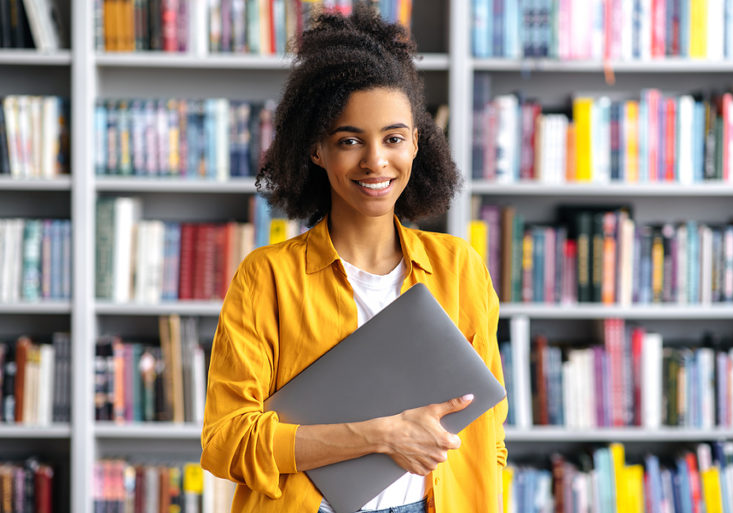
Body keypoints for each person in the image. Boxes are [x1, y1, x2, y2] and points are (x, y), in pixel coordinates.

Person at [200, 5, 508, 512]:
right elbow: (227, 441)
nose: (375, 161)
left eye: (393, 138)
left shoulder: (460, 268)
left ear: (417, 143)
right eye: (349, 141)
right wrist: (382, 435)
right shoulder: (268, 276)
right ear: (317, 149)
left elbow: (488, 434)